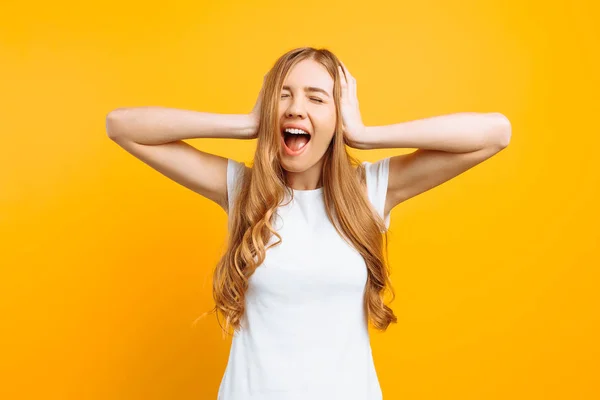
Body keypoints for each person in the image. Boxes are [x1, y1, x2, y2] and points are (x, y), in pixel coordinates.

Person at [105, 47, 511, 399]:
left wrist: (366, 135)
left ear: (338, 119)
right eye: (283, 95)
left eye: (316, 98)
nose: (295, 107)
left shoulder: (370, 191)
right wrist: (246, 125)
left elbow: (495, 133)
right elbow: (121, 126)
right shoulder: (242, 189)